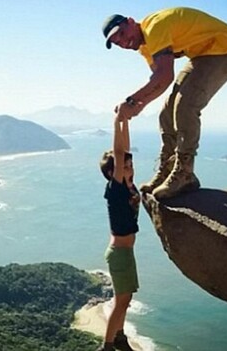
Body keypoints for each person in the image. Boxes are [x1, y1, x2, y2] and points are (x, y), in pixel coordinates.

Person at [102, 7, 227, 199]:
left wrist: (132, 101)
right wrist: (138, 107)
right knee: (166, 113)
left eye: (122, 34)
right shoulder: (145, 47)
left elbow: (165, 76)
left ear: (131, 21)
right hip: (201, 55)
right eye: (118, 43)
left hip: (223, 50)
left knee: (185, 107)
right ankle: (167, 170)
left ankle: (185, 174)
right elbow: (158, 84)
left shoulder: (154, 28)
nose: (124, 43)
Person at [98, 115, 141, 351]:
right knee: (121, 301)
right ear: (112, 173)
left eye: (130, 164)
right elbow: (119, 151)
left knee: (126, 300)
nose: (129, 167)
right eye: (125, 165)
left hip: (126, 252)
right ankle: (107, 346)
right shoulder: (116, 189)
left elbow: (124, 149)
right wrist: (116, 121)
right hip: (119, 253)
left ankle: (121, 337)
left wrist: (126, 122)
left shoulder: (129, 185)